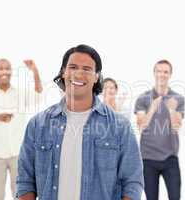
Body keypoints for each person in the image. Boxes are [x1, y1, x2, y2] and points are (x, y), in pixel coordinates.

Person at [16, 44, 144, 200]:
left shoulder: (120, 127)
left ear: (97, 76)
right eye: (73, 67)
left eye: (86, 69)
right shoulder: (37, 125)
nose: (78, 74)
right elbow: (25, 183)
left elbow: (132, 183)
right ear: (63, 72)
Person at [0, 59, 42, 200]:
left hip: (18, 154)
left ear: (11, 72)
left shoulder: (20, 94)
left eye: (7, 68)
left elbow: (38, 95)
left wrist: (35, 71)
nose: (4, 71)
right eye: (0, 68)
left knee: (20, 195)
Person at [134, 59, 185, 200]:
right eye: (159, 71)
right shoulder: (143, 98)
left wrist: (171, 110)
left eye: (165, 72)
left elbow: (176, 126)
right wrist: (152, 108)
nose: (162, 74)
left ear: (170, 75)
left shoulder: (178, 98)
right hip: (148, 158)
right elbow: (141, 126)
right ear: (154, 73)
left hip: (170, 158)